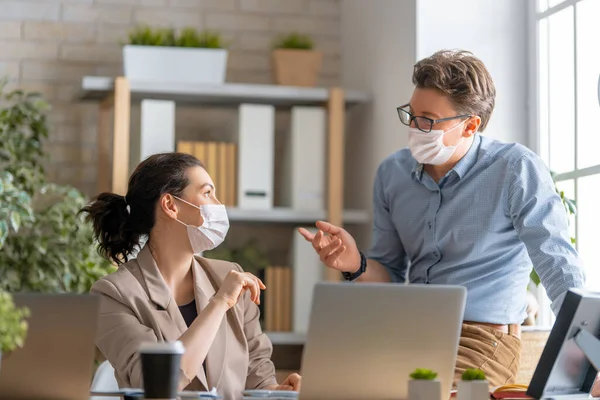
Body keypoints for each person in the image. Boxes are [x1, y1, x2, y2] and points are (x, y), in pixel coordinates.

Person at [299, 49, 585, 387]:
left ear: (470, 125)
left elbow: (558, 265)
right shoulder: (393, 173)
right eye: (412, 114)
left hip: (482, 341)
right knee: (322, 388)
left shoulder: (514, 169)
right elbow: (389, 274)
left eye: (428, 120)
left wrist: (590, 353)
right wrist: (355, 262)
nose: (416, 128)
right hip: (405, 330)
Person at [81, 153, 300, 399]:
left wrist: (279, 392)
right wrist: (219, 304)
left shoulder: (230, 275)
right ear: (170, 205)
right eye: (207, 193)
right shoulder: (113, 294)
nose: (218, 204)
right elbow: (152, 383)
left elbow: (258, 379)